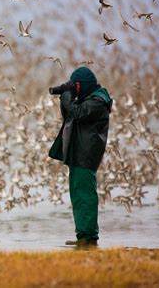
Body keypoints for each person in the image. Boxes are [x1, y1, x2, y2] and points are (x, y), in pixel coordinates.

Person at [48, 67, 113, 247]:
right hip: (78, 153)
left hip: (86, 154)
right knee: (78, 195)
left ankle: (89, 237)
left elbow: (78, 113)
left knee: (85, 196)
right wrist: (66, 96)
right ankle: (83, 236)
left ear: (81, 85)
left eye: (74, 85)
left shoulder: (98, 101)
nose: (73, 89)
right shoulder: (88, 100)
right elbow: (69, 115)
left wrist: (67, 95)